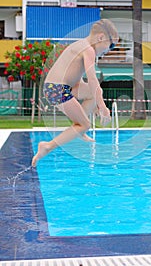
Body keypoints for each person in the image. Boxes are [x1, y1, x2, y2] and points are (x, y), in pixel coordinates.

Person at [32, 19, 119, 167]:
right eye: (111, 45)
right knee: (85, 124)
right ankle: (47, 146)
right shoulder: (88, 49)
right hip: (56, 89)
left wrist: (97, 104)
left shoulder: (80, 45)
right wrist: (103, 107)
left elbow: (78, 80)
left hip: (61, 87)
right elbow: (92, 79)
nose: (109, 50)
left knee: (94, 95)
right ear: (101, 37)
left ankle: (78, 126)